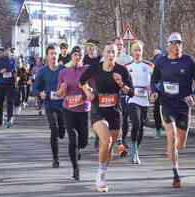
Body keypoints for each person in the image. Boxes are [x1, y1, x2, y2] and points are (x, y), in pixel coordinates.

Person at [151, 32, 195, 188]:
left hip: (183, 106)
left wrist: (193, 95)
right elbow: (154, 80)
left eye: (179, 43)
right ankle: (175, 173)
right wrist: (154, 91)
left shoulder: (189, 61)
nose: (176, 46)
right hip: (166, 103)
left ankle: (173, 150)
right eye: (173, 43)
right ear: (168, 45)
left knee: (180, 144)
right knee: (171, 136)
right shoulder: (161, 62)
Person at [79, 43, 133, 192]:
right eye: (108, 52)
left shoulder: (122, 70)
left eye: (113, 52)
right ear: (104, 53)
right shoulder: (95, 68)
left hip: (115, 112)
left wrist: (121, 83)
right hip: (98, 110)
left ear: (117, 54)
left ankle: (103, 170)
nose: (111, 55)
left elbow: (131, 92)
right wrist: (88, 91)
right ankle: (101, 174)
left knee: (109, 148)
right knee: (106, 140)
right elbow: (81, 81)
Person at [57, 46, 90, 180]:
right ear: (72, 57)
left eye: (80, 55)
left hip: (83, 109)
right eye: (75, 55)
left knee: (83, 141)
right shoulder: (64, 72)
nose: (77, 57)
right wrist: (62, 89)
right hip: (68, 109)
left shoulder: (88, 70)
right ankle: (76, 170)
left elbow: (94, 89)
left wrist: (88, 89)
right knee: (73, 139)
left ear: (82, 56)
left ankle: (79, 149)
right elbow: (59, 94)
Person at [32, 45, 66, 168]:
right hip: (49, 104)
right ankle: (55, 159)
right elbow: (34, 88)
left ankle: (62, 130)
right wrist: (39, 93)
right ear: (47, 56)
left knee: (61, 131)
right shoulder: (42, 72)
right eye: (51, 53)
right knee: (54, 129)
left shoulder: (63, 70)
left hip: (62, 105)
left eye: (55, 53)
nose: (54, 56)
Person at [125, 40, 153, 164]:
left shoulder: (148, 66)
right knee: (135, 123)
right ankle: (133, 148)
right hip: (132, 99)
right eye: (135, 50)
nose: (137, 53)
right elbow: (123, 83)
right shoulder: (127, 67)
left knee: (141, 126)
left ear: (142, 52)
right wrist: (126, 89)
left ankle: (136, 147)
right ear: (132, 52)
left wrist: (152, 89)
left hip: (144, 100)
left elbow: (155, 81)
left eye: (139, 50)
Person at [113, 37, 133, 153]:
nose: (119, 46)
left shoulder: (128, 59)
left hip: (123, 91)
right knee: (113, 117)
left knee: (125, 117)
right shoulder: (109, 58)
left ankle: (123, 139)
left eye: (121, 44)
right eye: (117, 44)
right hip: (111, 92)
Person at [0, 46, 17, 128]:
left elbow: (14, 70)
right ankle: (1, 116)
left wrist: (15, 81)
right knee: (0, 101)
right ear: (4, 52)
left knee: (10, 101)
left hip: (10, 83)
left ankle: (9, 119)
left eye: (9, 51)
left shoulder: (12, 60)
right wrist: (0, 71)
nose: (8, 52)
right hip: (1, 84)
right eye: (6, 51)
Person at [152, 48, 164, 139]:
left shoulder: (165, 61)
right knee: (157, 110)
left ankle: (158, 129)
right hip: (159, 89)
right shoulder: (151, 63)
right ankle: (158, 129)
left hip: (164, 89)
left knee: (157, 110)